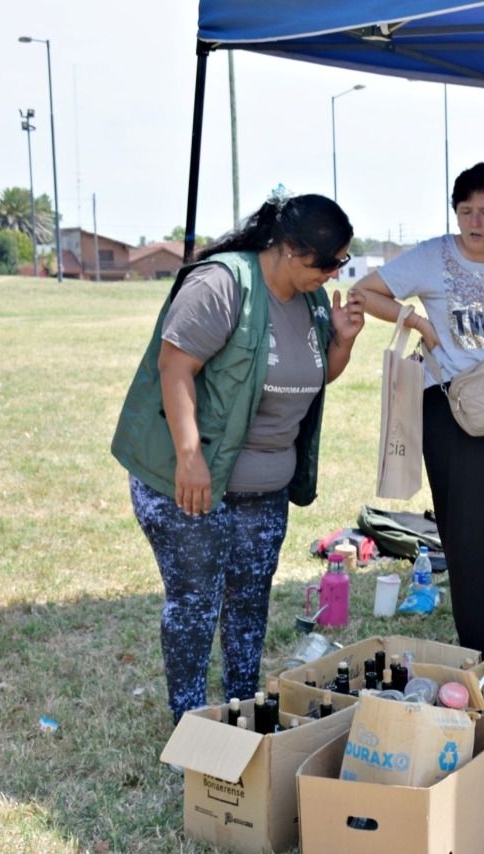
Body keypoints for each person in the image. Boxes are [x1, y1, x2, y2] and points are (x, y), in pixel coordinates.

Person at [112, 191, 363, 722]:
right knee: (197, 604)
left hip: (265, 489)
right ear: (291, 250)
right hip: (191, 479)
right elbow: (174, 368)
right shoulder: (222, 284)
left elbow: (306, 382)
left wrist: (340, 343)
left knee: (250, 602)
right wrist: (189, 457)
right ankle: (189, 724)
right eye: (330, 261)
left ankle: (240, 712)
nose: (336, 274)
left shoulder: (312, 299)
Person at [348, 162, 484, 665]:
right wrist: (420, 324)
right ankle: (483, 657)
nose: (475, 223)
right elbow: (367, 292)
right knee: (467, 537)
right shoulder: (433, 255)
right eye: (466, 210)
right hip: (452, 411)